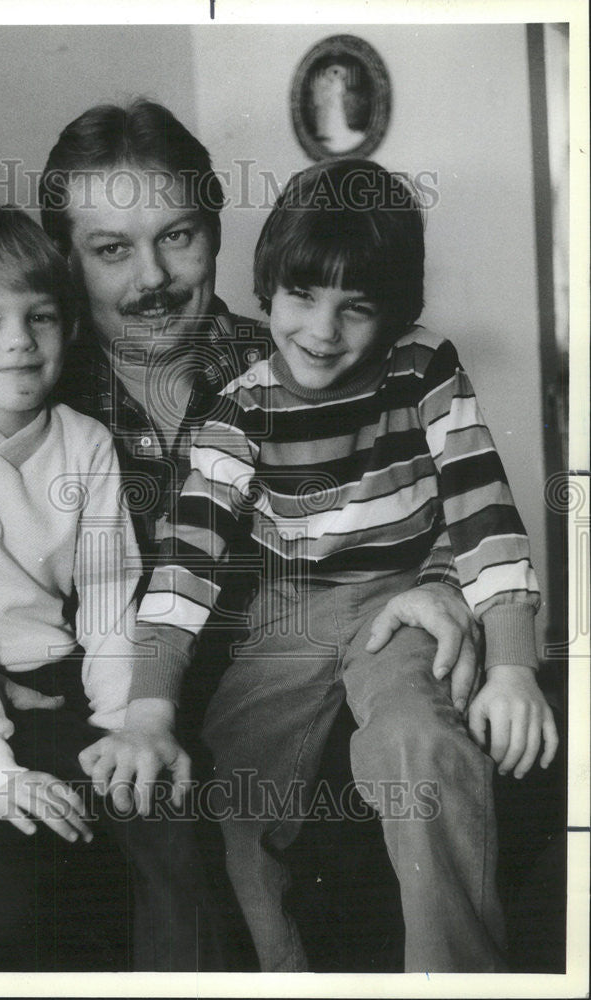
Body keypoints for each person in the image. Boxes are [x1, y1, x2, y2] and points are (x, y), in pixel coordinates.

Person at [0, 100, 483, 969]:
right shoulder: (17, 377)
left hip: (290, 700)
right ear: (65, 263)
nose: (151, 277)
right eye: (111, 249)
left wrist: (443, 581)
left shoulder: (305, 361)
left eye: (177, 236)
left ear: (218, 231)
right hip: (98, 717)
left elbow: (451, 491)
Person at [110, 159, 560, 972]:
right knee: (231, 787)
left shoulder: (423, 368)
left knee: (418, 747)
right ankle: (284, 974)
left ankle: (457, 977)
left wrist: (515, 667)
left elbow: (483, 509)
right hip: (291, 605)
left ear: (395, 314)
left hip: (403, 598)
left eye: (357, 308)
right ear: (266, 288)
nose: (322, 331)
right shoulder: (239, 409)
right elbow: (183, 570)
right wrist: (146, 709)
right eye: (301, 297)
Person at [0, 205, 223, 971]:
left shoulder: (86, 442)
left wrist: (124, 725)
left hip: (60, 682)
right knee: (0, 887)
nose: (20, 340)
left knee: (164, 823)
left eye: (42, 317)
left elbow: (107, 596)